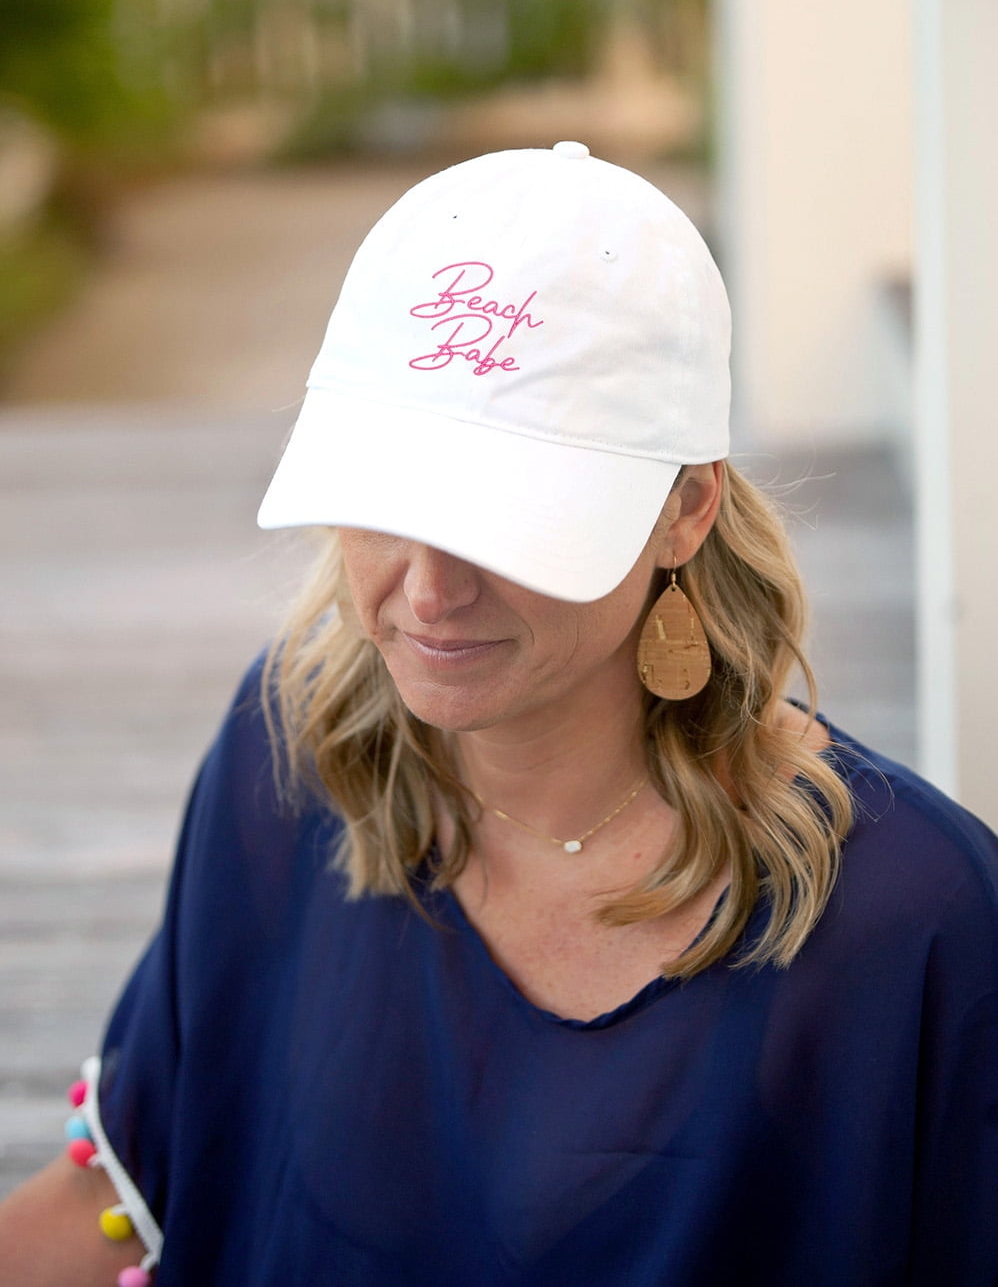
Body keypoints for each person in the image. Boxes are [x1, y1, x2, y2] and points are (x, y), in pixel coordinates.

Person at [1, 142, 996, 1287]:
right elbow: (121, 1196)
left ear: (684, 510)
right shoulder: (294, 755)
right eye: (383, 498)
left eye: (505, 523)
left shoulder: (909, 921)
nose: (427, 594)